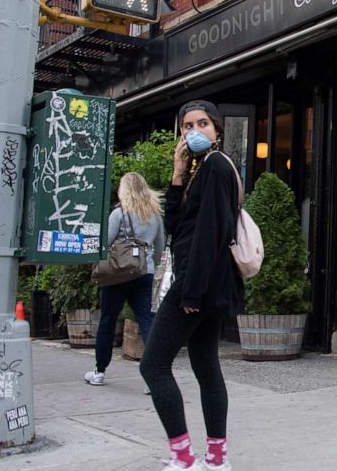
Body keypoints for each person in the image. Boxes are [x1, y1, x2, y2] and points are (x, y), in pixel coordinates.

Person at [139, 100, 243, 471]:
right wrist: (178, 173)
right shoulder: (200, 169)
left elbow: (210, 234)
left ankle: (183, 457)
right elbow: (177, 225)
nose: (194, 131)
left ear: (217, 129)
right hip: (207, 285)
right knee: (205, 365)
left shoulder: (215, 166)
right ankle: (216, 459)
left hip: (198, 285)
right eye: (187, 126)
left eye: (202, 124)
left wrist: (190, 292)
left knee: (153, 366)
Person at [84, 172, 164, 388]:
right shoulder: (154, 215)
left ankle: (100, 371)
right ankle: (153, 377)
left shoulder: (119, 214)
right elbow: (159, 246)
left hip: (118, 274)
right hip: (144, 273)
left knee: (108, 320)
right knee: (148, 321)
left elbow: (106, 241)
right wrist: (148, 263)